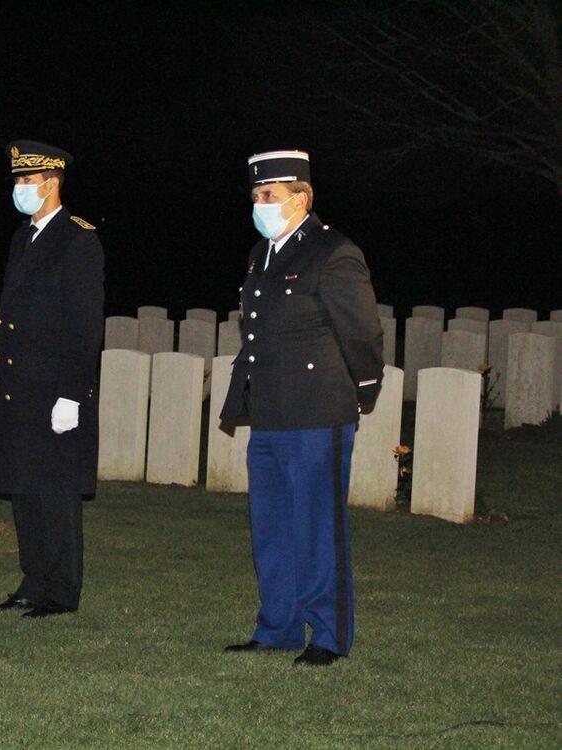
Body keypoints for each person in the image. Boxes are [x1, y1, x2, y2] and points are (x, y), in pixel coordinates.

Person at [219, 150, 384, 666]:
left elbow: (361, 332)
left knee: (317, 530)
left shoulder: (333, 253)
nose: (259, 205)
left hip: (317, 413)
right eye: (255, 197)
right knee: (271, 529)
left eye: (269, 196)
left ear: (301, 198)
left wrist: (362, 393)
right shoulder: (260, 255)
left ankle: (329, 637)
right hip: (269, 412)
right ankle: (278, 628)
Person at [0, 141, 105, 618]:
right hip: (20, 386)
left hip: (55, 388)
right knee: (25, 489)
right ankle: (34, 582)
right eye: (17, 181)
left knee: (56, 491)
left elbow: (82, 323)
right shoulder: (22, 238)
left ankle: (62, 590)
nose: (19, 189)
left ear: (51, 184)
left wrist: (72, 394)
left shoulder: (78, 238)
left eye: (27, 182)